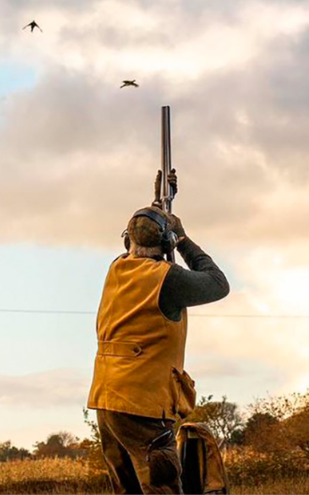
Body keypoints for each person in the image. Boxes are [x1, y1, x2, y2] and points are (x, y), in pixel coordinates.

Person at [87, 170, 229, 494]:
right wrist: (182, 238)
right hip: (143, 404)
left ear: (127, 241)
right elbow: (218, 283)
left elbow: (146, 236)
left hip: (107, 401)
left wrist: (159, 204)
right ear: (167, 243)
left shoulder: (117, 267)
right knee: (162, 487)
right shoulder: (168, 279)